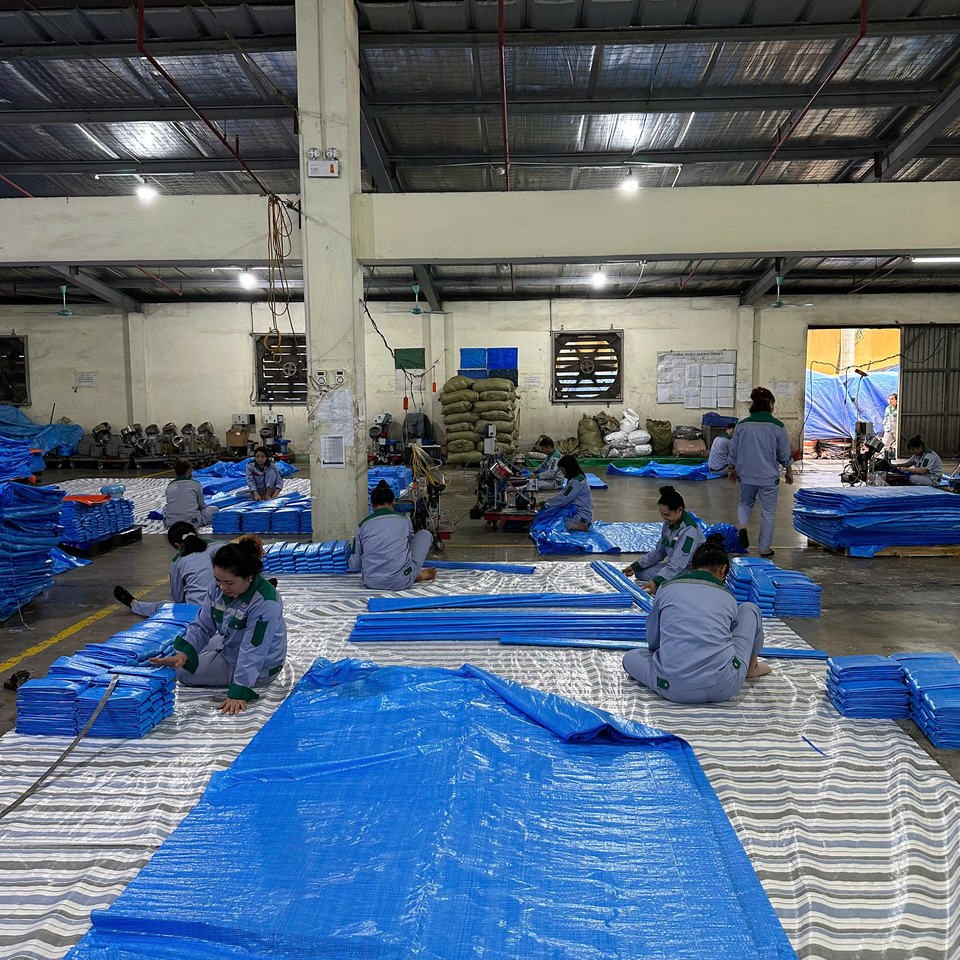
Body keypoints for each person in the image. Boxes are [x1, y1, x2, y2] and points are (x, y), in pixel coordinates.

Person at [622, 534, 770, 704]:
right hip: (725, 685)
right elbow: (730, 634)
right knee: (750, 609)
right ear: (723, 570)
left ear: (692, 566)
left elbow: (653, 639)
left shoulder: (666, 588)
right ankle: (751, 667)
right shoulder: (728, 596)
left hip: (672, 687)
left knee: (631, 657)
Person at [149, 536, 287, 715]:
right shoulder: (217, 589)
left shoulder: (265, 602)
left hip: (260, 665)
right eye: (217, 580)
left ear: (249, 577)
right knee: (184, 656)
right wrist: (185, 652)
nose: (222, 587)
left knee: (183, 672)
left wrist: (239, 690)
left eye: (229, 583)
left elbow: (253, 650)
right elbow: (202, 625)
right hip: (231, 641)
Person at [728, 386, 793, 558]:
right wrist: (789, 470)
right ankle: (764, 549)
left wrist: (731, 468)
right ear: (770, 403)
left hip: (745, 475)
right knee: (768, 513)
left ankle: (743, 525)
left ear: (753, 404)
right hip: (768, 477)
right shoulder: (778, 426)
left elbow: (733, 449)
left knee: (745, 503)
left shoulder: (742, 425)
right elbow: (784, 452)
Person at [113, 521, 214, 617]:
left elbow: (178, 599)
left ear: (177, 545)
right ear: (197, 533)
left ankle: (134, 604)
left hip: (197, 612)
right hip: (221, 606)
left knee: (164, 606)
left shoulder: (178, 561)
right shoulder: (219, 545)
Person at [348, 480, 436, 589]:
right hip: (401, 581)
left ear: (372, 504)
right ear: (393, 502)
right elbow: (409, 547)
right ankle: (413, 575)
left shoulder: (362, 525)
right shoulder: (404, 520)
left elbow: (355, 565)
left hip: (371, 581)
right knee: (425, 534)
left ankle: (404, 574)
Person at [621, 486, 705, 595]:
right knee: (640, 572)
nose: (664, 518)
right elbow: (659, 552)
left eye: (667, 514)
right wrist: (636, 565)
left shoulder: (689, 531)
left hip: (688, 569)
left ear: (680, 510)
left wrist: (656, 582)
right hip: (675, 565)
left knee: (659, 581)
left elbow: (678, 564)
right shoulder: (669, 523)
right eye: (662, 514)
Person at [538, 454, 592, 531]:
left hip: (581, 515)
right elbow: (562, 495)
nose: (563, 474)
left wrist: (545, 505)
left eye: (563, 471)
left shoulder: (576, 482)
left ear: (569, 469)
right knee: (551, 515)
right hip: (576, 511)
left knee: (552, 523)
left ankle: (578, 526)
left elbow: (563, 499)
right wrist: (545, 502)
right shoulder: (575, 479)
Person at [163, 458, 219, 528]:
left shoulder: (170, 485)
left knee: (165, 507)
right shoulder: (195, 484)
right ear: (189, 471)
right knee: (214, 509)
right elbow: (202, 505)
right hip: (191, 522)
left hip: (171, 522)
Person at [882, 394, 898, 458]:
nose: (890, 401)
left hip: (897, 430)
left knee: (898, 446)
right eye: (889, 399)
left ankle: (896, 457)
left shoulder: (899, 408)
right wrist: (885, 426)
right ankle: (885, 459)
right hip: (888, 429)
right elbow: (885, 419)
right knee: (885, 444)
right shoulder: (887, 408)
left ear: (896, 400)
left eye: (892, 399)